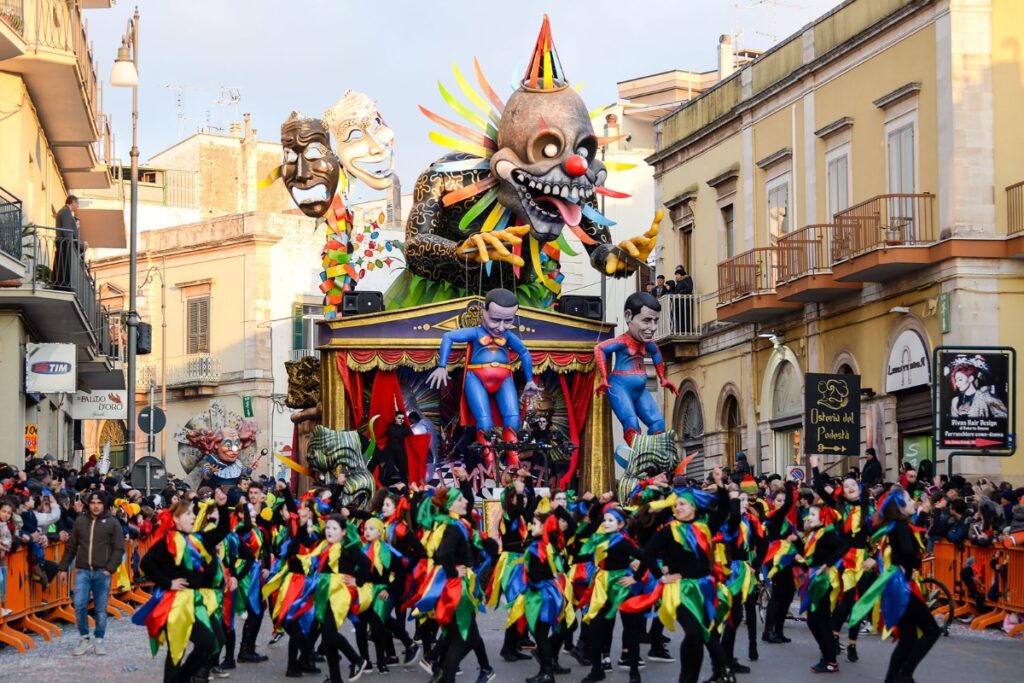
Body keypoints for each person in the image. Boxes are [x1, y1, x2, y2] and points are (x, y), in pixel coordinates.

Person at [428, 288, 539, 465]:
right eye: (495, 320)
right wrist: (442, 366)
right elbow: (448, 336)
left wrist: (529, 380)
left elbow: (524, 352)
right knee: (484, 420)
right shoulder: (476, 333)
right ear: (483, 312)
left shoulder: (508, 336)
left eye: (508, 321)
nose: (501, 327)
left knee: (513, 418)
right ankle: (491, 463)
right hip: (477, 377)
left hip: (503, 379)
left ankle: (514, 463)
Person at [849, 487, 940, 683]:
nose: (912, 503)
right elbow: (906, 551)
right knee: (932, 631)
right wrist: (912, 566)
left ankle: (892, 679)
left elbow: (899, 549)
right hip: (901, 586)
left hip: (895, 585)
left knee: (908, 639)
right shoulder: (899, 524)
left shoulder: (894, 525)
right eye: (908, 500)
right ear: (899, 506)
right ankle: (905, 674)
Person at [595, 292, 678, 446]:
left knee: (658, 424)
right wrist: (604, 378)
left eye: (656, 321)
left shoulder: (648, 344)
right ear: (628, 317)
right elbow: (600, 348)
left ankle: (654, 460)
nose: (652, 328)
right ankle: (638, 458)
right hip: (619, 387)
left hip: (640, 390)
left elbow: (656, 353)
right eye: (646, 321)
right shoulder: (623, 342)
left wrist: (663, 378)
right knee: (632, 424)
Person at [57, 490, 125, 656]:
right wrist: (63, 567)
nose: (95, 506)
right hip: (82, 571)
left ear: (104, 505)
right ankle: (84, 638)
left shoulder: (112, 523)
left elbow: (119, 548)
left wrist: (110, 568)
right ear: (89, 504)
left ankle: (99, 639)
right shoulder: (80, 521)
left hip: (103, 572)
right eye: (93, 503)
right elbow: (71, 546)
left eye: (99, 503)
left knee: (101, 608)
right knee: (79, 604)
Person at [53, 195, 83, 290]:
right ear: (72, 202)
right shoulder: (66, 212)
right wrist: (72, 243)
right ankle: (65, 285)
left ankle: (64, 284)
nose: (78, 206)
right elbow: (67, 230)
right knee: (65, 265)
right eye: (77, 203)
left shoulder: (64, 211)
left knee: (63, 264)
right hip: (65, 243)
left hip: (63, 242)